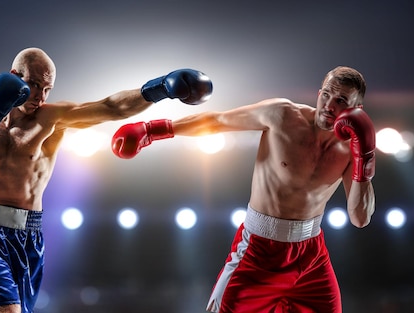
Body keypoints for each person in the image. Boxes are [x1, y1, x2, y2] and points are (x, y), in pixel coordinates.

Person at [0, 47, 213, 313]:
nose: (41, 97)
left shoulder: (51, 118)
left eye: (47, 89)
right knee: (6, 310)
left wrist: (162, 88)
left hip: (28, 233)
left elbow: (111, 107)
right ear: (14, 76)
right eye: (34, 85)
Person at [111, 66, 375, 313]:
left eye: (341, 101)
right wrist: (152, 129)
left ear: (357, 110)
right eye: (326, 95)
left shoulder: (352, 149)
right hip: (259, 251)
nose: (329, 106)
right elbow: (218, 121)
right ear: (319, 94)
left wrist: (364, 159)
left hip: (311, 258)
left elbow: (360, 218)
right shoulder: (282, 115)